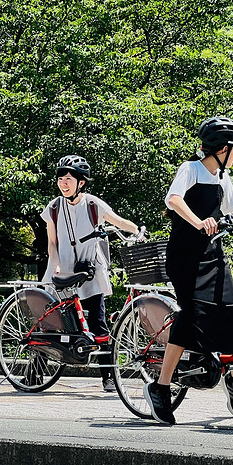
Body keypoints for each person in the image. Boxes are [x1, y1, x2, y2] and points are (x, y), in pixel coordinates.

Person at [144, 117, 233, 425]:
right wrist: (199, 221)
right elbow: (173, 200)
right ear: (223, 149)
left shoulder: (222, 176)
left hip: (213, 254)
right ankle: (161, 387)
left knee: (232, 311)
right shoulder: (191, 169)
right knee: (190, 315)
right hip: (185, 256)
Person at [41, 155, 142, 393]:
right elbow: (52, 243)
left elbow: (118, 221)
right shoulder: (54, 207)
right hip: (62, 269)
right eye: (60, 178)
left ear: (81, 183)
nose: (63, 183)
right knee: (47, 323)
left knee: (98, 324)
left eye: (69, 179)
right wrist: (55, 265)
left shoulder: (93, 205)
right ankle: (36, 371)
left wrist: (137, 229)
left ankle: (107, 376)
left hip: (90, 271)